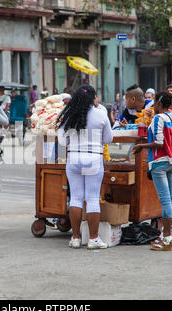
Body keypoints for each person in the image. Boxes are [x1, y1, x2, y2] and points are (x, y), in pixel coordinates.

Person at [56, 85, 113, 250]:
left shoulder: (69, 115)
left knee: (75, 198)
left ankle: (75, 238)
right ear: (93, 98)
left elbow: (62, 141)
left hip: (73, 158)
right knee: (93, 198)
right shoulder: (101, 115)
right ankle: (93, 239)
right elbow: (108, 139)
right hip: (93, 158)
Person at [132, 91, 172, 251]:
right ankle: (164, 236)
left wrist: (141, 146)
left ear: (159, 103)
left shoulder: (157, 119)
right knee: (171, 199)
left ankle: (167, 238)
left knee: (165, 201)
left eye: (154, 102)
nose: (152, 105)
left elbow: (159, 143)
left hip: (159, 162)